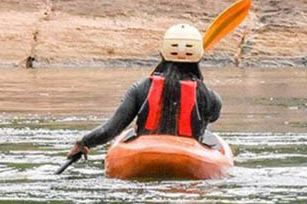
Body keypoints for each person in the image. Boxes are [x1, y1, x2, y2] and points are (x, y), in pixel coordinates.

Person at [67, 23, 222, 161]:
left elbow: (110, 130)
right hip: (189, 160)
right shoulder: (210, 97)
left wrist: (83, 142)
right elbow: (212, 118)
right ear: (199, 56)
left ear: (163, 52)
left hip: (143, 154)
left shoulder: (141, 89)